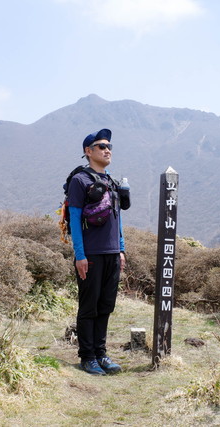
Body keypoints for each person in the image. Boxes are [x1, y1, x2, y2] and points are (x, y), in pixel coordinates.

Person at [67, 128, 127, 375]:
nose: (107, 150)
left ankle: (101, 354)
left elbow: (118, 217)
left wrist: (121, 249)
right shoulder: (79, 181)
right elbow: (74, 219)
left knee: (106, 305)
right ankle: (87, 356)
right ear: (88, 151)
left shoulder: (111, 181)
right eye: (101, 146)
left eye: (109, 146)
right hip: (90, 254)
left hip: (112, 253)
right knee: (89, 306)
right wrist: (80, 255)